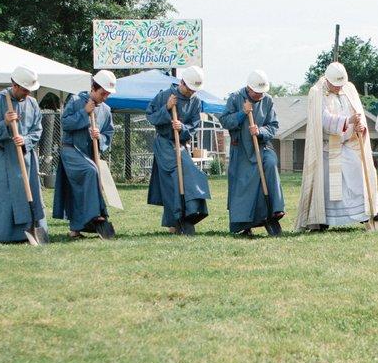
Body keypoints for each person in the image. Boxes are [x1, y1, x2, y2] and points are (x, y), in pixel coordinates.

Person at [296, 62, 377, 231]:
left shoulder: (349, 89)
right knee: (326, 184)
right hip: (327, 148)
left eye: (341, 85)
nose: (339, 88)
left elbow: (357, 111)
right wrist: (347, 121)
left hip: (348, 144)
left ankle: (363, 214)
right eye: (336, 85)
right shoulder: (317, 92)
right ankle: (322, 219)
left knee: (357, 174)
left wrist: (359, 125)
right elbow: (323, 120)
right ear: (328, 80)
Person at [0, 66, 47, 242]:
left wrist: (26, 140)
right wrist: (5, 123)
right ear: (14, 85)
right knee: (3, 196)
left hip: (26, 158)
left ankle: (30, 230)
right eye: (24, 89)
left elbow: (38, 130)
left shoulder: (32, 104)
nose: (27, 93)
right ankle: (1, 233)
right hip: (3, 158)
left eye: (29, 90)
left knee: (29, 193)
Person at [219, 70, 285, 235]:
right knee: (243, 185)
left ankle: (274, 213)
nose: (259, 96)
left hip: (261, 146)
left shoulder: (268, 100)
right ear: (248, 88)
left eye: (262, 92)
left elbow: (274, 125)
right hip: (241, 150)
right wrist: (242, 113)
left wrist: (260, 130)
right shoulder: (235, 98)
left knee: (270, 164)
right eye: (256, 93)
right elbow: (225, 121)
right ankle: (244, 225)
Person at [146, 66, 210, 234]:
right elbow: (151, 116)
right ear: (182, 83)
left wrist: (182, 127)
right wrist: (167, 108)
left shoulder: (195, 100)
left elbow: (195, 124)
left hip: (181, 144)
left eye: (195, 90)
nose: (192, 93)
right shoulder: (165, 95)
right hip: (165, 144)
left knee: (191, 173)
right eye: (190, 89)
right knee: (172, 182)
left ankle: (190, 212)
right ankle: (174, 221)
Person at [53, 70, 116, 238]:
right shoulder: (75, 100)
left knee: (80, 188)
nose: (105, 97)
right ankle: (94, 216)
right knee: (91, 171)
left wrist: (100, 137)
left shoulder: (106, 110)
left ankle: (75, 230)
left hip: (90, 154)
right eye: (103, 93)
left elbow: (108, 134)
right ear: (94, 88)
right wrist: (84, 113)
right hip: (71, 150)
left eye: (108, 94)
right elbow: (65, 124)